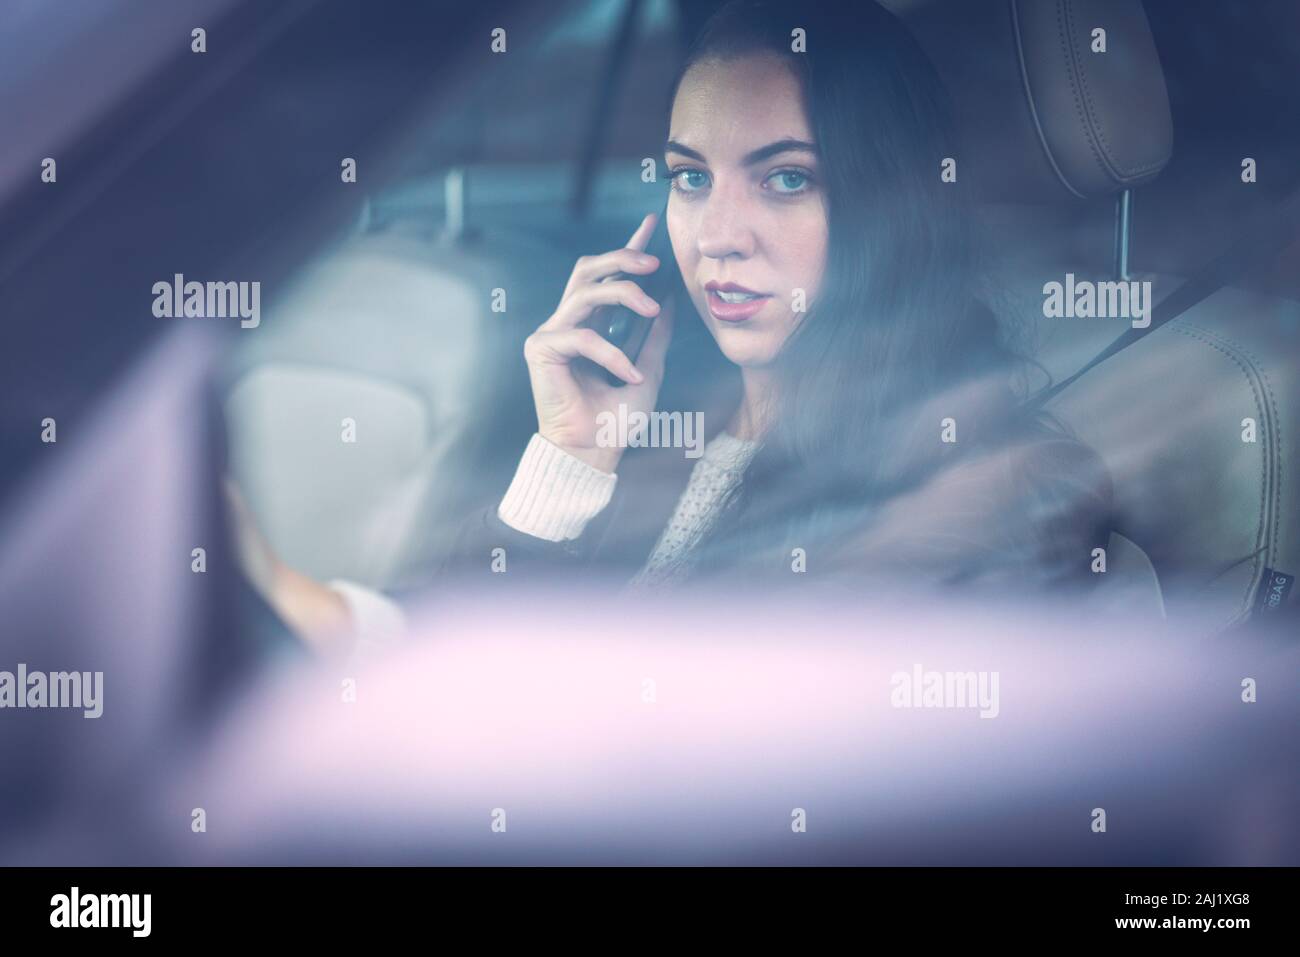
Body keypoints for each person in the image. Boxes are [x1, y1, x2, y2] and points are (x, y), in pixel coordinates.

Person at [231, 0, 1113, 656]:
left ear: (885, 199)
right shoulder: (680, 420)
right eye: (691, 178)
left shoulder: (976, 484)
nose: (719, 236)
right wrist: (571, 461)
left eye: (786, 179)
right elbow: (488, 659)